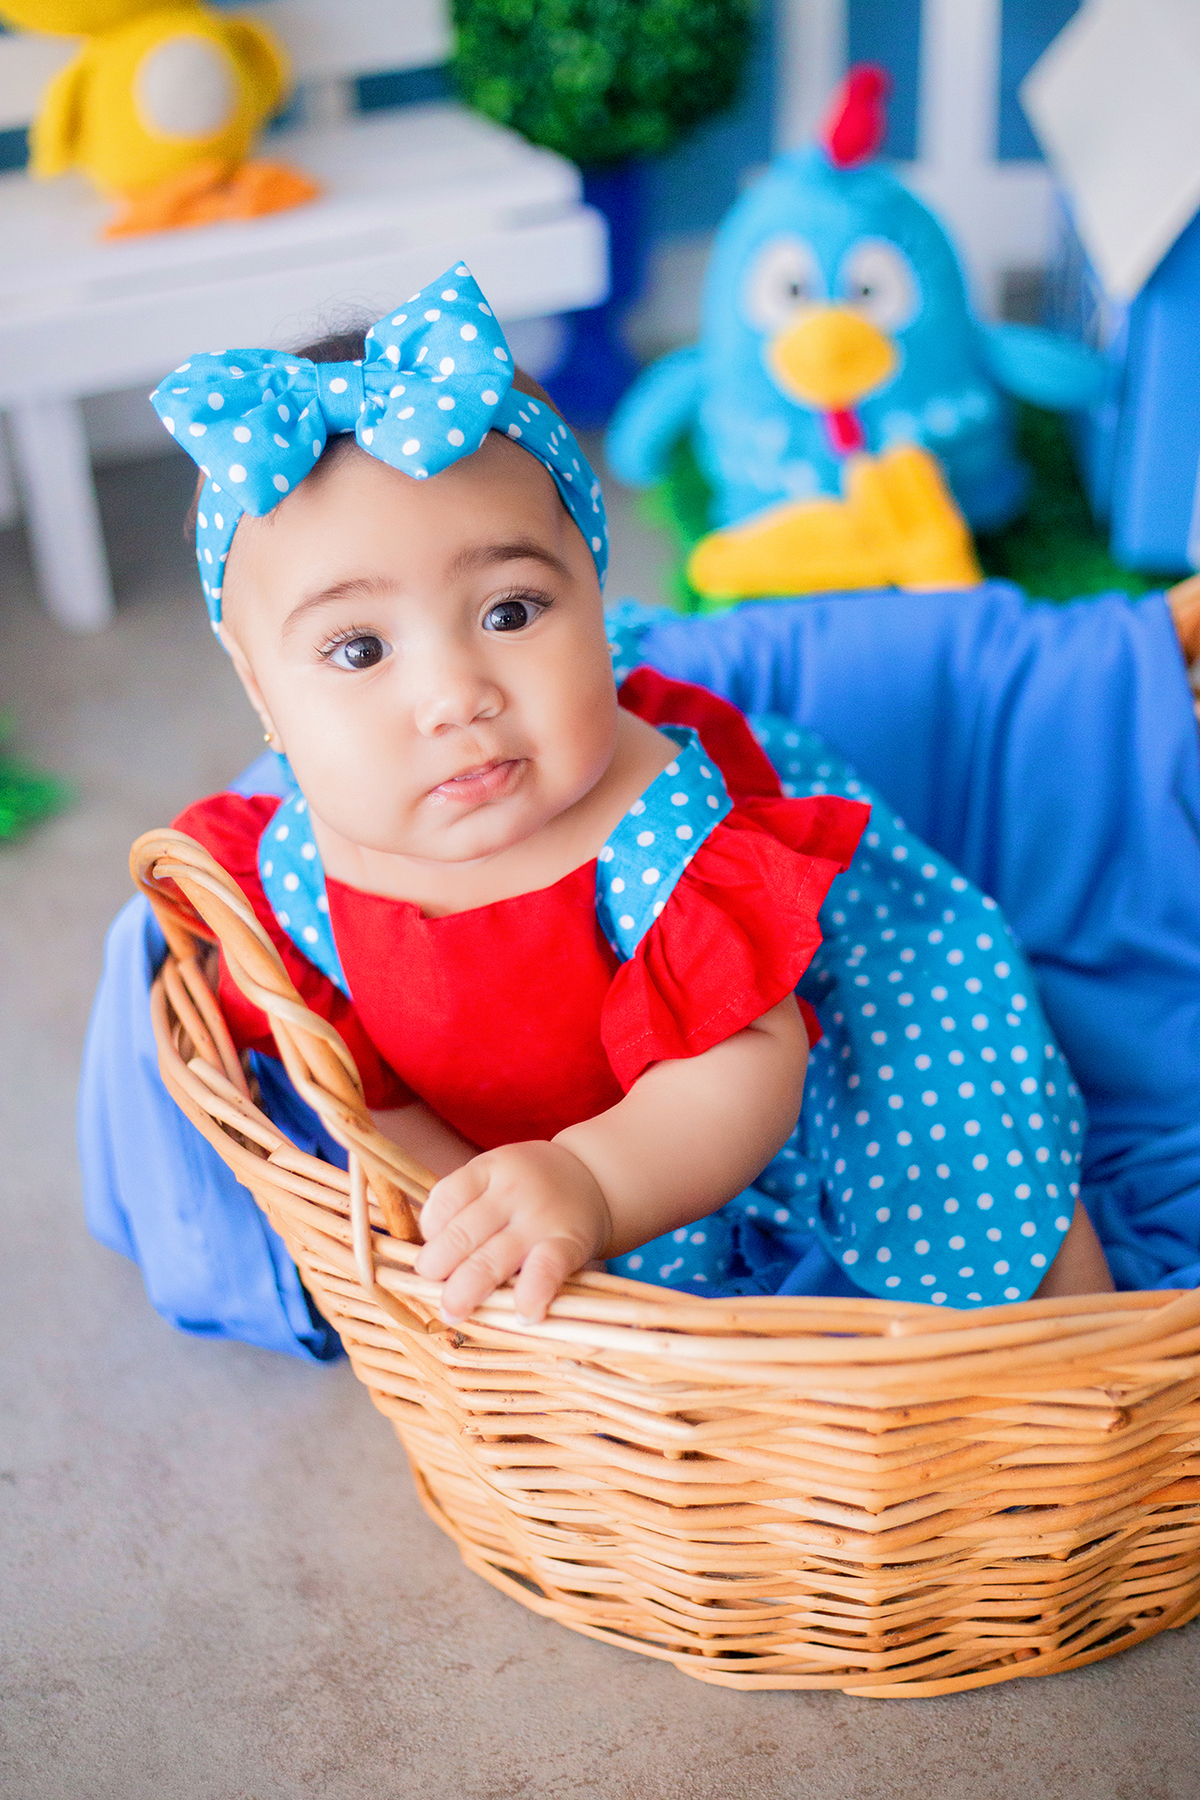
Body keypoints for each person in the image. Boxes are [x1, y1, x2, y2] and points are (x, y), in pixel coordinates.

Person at [102, 259, 1108, 1339]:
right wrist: (478, 1219)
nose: (455, 695)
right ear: (262, 692)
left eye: (512, 611)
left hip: (752, 1105)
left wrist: (590, 1182)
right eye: (358, 648)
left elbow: (740, 1072)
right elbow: (370, 1098)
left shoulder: (658, 827)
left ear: (594, 593)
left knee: (956, 1113)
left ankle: (1086, 1342)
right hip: (548, 1160)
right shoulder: (289, 879)